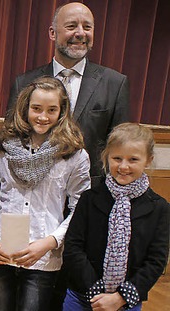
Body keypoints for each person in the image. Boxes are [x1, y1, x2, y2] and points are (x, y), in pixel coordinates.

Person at [0, 76, 91, 310]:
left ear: (62, 112)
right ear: (25, 108)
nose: (43, 117)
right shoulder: (2, 149)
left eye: (52, 110)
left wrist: (49, 243)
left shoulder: (74, 155)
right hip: (1, 252)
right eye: (36, 109)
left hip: (43, 257)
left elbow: (80, 210)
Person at [7, 2, 129, 180]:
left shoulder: (115, 84)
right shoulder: (24, 83)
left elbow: (121, 146)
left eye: (87, 27)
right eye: (72, 26)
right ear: (52, 33)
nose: (80, 33)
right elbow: (12, 140)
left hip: (90, 195)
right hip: (33, 192)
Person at [63, 123, 170, 311]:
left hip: (126, 301)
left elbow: (156, 260)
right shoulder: (89, 199)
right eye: (117, 158)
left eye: (133, 159)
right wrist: (96, 291)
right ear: (106, 157)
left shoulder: (159, 208)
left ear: (148, 160)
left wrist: (120, 298)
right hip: (82, 296)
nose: (124, 166)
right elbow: (73, 247)